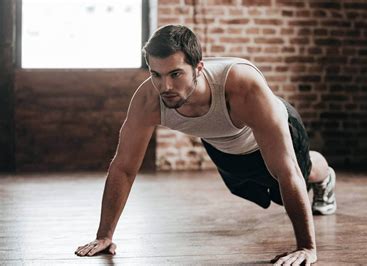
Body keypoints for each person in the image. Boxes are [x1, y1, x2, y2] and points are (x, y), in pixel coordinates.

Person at [74, 24, 336, 265]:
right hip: (224, 145)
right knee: (262, 192)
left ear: (198, 68)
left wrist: (307, 247)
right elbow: (123, 167)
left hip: (273, 131)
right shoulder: (148, 100)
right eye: (156, 74)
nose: (165, 86)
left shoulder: (242, 86)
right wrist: (104, 236)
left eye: (176, 74)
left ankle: (325, 177)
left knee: (298, 175)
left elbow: (287, 170)